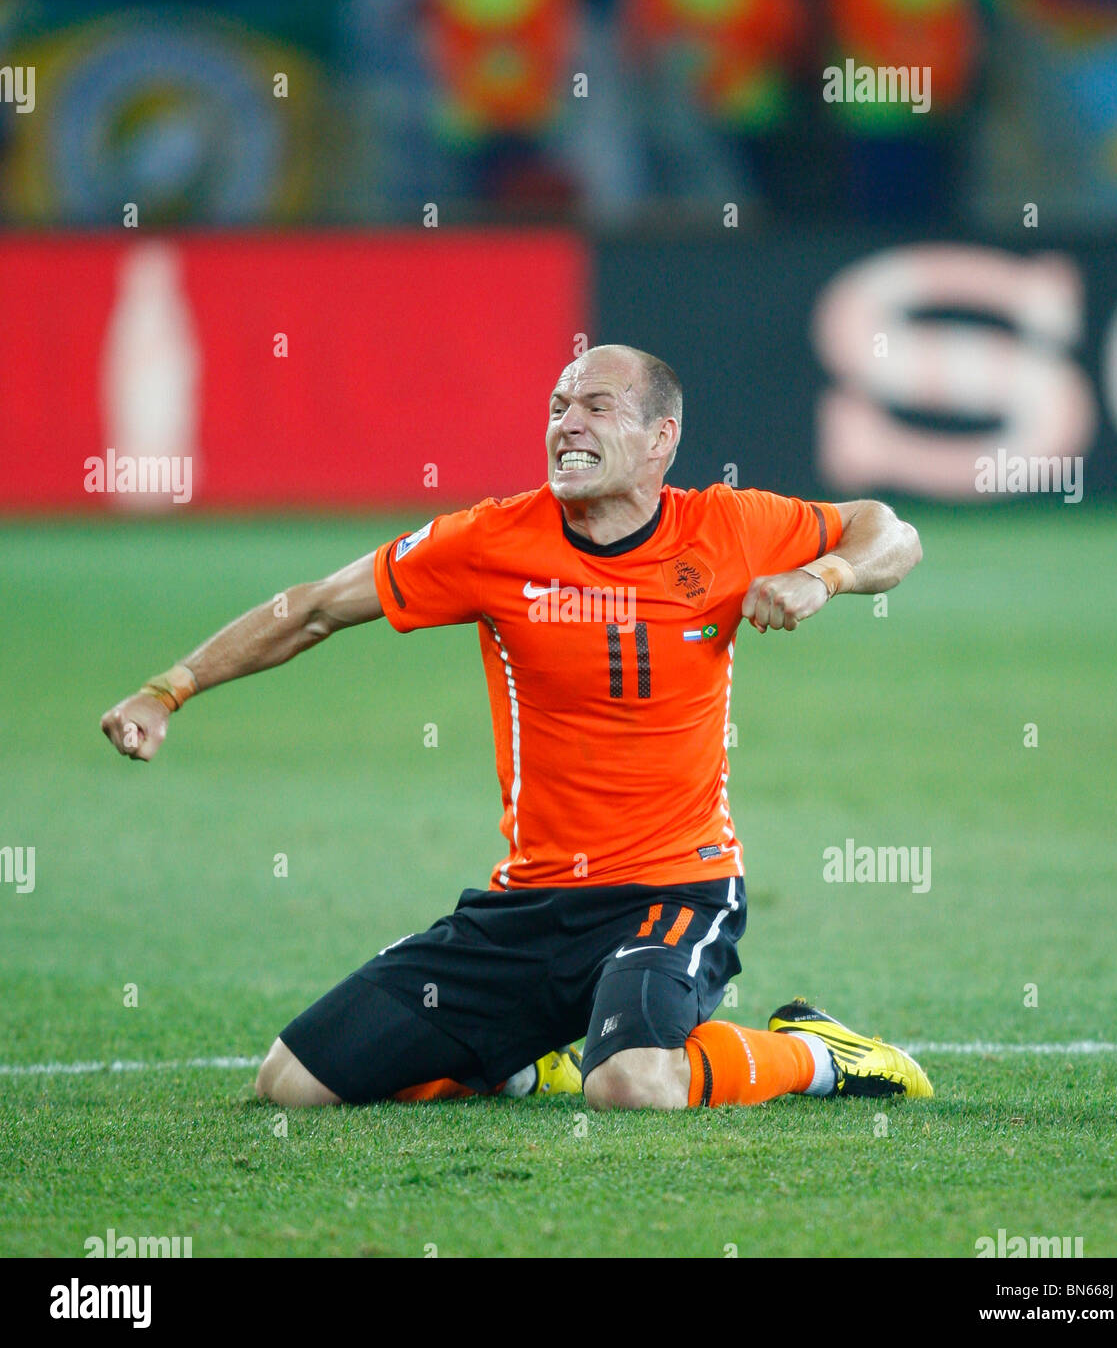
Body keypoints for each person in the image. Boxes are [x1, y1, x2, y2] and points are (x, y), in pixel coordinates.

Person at [101, 344, 931, 1111]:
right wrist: (165, 689)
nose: (567, 422)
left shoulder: (728, 526)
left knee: (635, 1084)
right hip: (530, 903)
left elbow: (892, 532)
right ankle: (530, 1058)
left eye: (596, 407)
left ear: (659, 439)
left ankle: (821, 1055)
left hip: (673, 890)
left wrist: (826, 575)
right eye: (558, 404)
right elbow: (314, 608)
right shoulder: (490, 542)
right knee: (293, 1084)